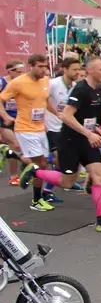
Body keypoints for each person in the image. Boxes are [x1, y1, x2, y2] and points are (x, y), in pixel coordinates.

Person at [17, 57, 101, 231]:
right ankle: (34, 171)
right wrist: (88, 133)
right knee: (67, 182)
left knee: (99, 176)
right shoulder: (80, 89)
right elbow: (66, 116)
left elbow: (89, 117)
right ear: (90, 71)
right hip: (70, 142)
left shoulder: (97, 89)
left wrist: (97, 129)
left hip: (88, 141)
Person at [0, 54, 58, 211]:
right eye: (40, 66)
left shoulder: (45, 81)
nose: (43, 69)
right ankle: (36, 200)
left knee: (43, 164)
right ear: (30, 66)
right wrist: (4, 115)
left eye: (45, 66)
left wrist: (58, 114)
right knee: (40, 164)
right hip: (25, 128)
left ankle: (11, 153)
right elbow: (1, 98)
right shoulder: (18, 82)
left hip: (40, 128)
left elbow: (44, 102)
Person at [44, 56, 81, 203]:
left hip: (66, 128)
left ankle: (64, 181)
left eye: (79, 69)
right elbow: (43, 100)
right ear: (65, 69)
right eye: (74, 70)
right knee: (59, 160)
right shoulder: (53, 84)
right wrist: (56, 113)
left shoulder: (75, 86)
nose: (77, 72)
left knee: (68, 159)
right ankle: (47, 190)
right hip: (52, 127)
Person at [0, 59, 24, 185]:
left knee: (16, 147)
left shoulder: (21, 84)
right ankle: (13, 176)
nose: (20, 75)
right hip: (4, 120)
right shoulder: (1, 82)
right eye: (18, 72)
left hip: (19, 119)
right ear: (10, 71)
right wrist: (4, 116)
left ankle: (3, 150)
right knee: (15, 145)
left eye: (22, 72)